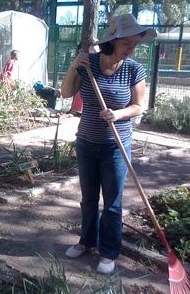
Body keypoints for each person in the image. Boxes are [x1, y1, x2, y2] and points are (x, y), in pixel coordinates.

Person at [62, 14, 156, 274]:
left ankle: (109, 251)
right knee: (88, 198)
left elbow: (138, 106)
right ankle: (86, 241)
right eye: (128, 44)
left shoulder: (134, 69)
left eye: (135, 45)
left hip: (116, 144)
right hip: (86, 142)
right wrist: (73, 66)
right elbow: (66, 93)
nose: (132, 49)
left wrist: (118, 114)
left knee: (112, 202)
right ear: (112, 42)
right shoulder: (89, 64)